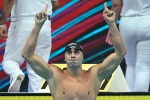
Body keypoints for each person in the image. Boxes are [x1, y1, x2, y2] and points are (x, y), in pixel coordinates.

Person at [22, 3, 126, 99]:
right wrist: (37, 26)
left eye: (76, 53)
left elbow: (120, 53)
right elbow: (27, 55)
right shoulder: (54, 75)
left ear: (83, 57)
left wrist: (112, 24)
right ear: (65, 58)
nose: (72, 55)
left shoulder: (95, 74)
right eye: (69, 53)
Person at [0, 0, 59, 92]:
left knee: (10, 60)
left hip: (22, 23)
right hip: (44, 23)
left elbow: (9, 1)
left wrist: (2, 23)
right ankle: (36, 96)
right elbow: (55, 3)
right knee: (38, 68)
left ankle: (16, 73)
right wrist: (45, 16)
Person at [105, 0, 150, 92]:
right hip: (146, 21)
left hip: (127, 23)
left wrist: (111, 27)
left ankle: (128, 97)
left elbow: (116, 5)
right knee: (143, 67)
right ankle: (140, 99)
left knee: (130, 65)